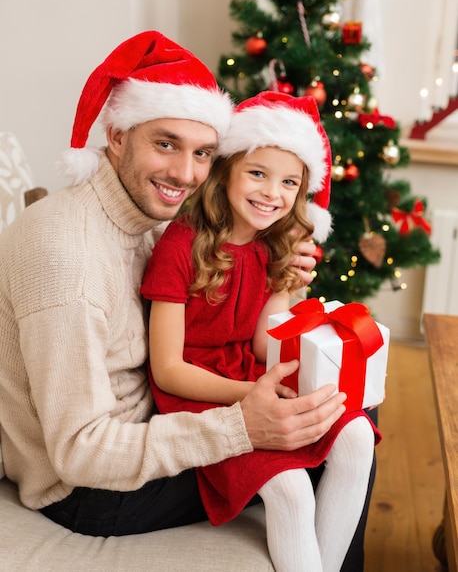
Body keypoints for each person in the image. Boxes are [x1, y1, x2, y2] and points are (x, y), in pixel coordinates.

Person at [0, 30, 343, 536]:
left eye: (203, 154)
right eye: (166, 144)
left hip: (156, 415)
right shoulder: (65, 255)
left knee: (343, 410)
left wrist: (283, 276)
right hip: (91, 488)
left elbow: (230, 315)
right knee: (324, 446)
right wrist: (242, 427)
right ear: (117, 136)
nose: (186, 174)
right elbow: (79, 452)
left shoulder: (158, 217)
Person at [141, 91, 381, 572]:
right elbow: (167, 370)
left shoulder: (273, 245)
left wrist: (286, 285)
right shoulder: (181, 245)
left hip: (252, 372)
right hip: (201, 392)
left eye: (289, 182)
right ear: (227, 169)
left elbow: (260, 345)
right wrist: (252, 394)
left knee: (356, 433)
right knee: (291, 489)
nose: (273, 193)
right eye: (258, 173)